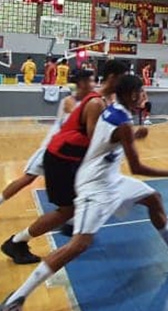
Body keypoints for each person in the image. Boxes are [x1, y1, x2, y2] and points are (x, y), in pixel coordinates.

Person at [0, 75, 168, 311]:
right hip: (95, 186)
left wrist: (130, 136)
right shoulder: (121, 121)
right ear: (130, 95)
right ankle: (14, 301)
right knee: (78, 245)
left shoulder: (114, 112)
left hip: (110, 179)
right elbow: (137, 167)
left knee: (153, 199)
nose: (145, 96)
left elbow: (109, 138)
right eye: (141, 92)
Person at [1, 60, 130, 265]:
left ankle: (69, 227)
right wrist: (126, 136)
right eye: (125, 77)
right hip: (60, 157)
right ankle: (17, 242)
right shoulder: (96, 102)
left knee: (80, 201)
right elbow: (96, 139)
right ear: (114, 78)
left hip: (70, 157)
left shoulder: (107, 99)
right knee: (66, 209)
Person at [0, 71, 94, 214]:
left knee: (77, 181)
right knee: (28, 178)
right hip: (51, 149)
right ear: (82, 83)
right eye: (91, 81)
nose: (94, 85)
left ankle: (74, 214)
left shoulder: (90, 102)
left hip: (69, 153)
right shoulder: (70, 101)